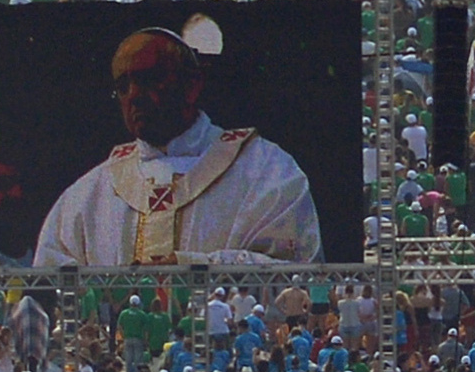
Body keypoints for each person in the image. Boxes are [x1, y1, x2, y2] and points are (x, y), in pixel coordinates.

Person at [32, 23, 327, 266]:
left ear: (192, 85)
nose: (133, 94)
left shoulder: (266, 170)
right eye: (123, 86)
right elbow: (47, 287)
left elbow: (299, 274)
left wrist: (192, 268)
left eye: (148, 79)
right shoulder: (87, 195)